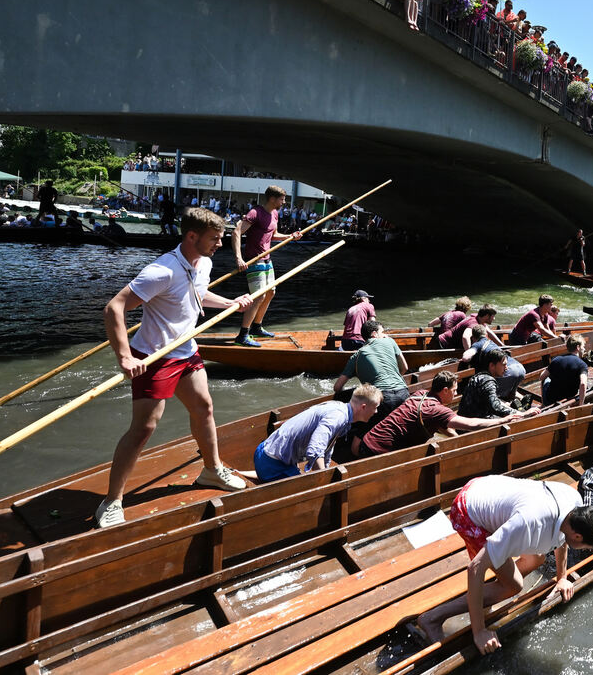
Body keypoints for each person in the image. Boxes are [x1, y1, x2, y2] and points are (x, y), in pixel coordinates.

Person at [95, 208, 254, 529]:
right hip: (154, 355)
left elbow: (195, 295)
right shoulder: (162, 271)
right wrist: (125, 357)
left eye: (222, 238)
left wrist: (229, 303)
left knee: (204, 408)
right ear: (191, 236)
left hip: (185, 350)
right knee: (144, 428)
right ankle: (111, 501)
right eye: (214, 239)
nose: (219, 245)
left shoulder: (204, 263)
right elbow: (114, 307)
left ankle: (211, 470)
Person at [416, 474, 593, 653]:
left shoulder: (575, 506)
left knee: (536, 558)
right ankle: (433, 618)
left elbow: (562, 540)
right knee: (514, 586)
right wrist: (480, 632)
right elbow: (475, 568)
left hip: (487, 487)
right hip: (467, 510)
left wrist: (561, 578)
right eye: (587, 547)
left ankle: (494, 587)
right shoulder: (529, 523)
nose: (585, 550)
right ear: (578, 535)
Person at [356, 371, 538, 457]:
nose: (456, 394)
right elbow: (472, 424)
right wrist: (504, 420)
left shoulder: (420, 394)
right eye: (454, 390)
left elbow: (441, 426)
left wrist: (457, 441)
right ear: (444, 390)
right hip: (374, 454)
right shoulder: (437, 410)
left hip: (365, 442)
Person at [254, 384, 383, 480]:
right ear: (364, 407)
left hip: (266, 452)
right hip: (271, 463)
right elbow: (315, 449)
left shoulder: (340, 408)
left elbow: (327, 447)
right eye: (376, 408)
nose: (376, 412)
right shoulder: (338, 416)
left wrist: (325, 469)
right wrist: (324, 480)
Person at [232, 185, 301, 347]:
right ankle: (243, 334)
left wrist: (290, 237)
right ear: (272, 198)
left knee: (270, 292)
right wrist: (238, 258)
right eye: (282, 199)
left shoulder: (275, 214)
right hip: (253, 259)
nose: (284, 202)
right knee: (259, 296)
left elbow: (273, 235)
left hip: (267, 259)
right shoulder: (255, 213)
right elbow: (236, 232)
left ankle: (256, 327)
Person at [333, 319, 410, 428]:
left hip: (381, 399)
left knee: (362, 434)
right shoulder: (390, 341)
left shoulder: (356, 356)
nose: (384, 335)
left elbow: (337, 387)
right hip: (404, 393)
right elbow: (405, 368)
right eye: (382, 332)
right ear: (374, 334)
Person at [458, 347, 520, 419]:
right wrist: (519, 413)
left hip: (467, 419)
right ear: (492, 366)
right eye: (503, 364)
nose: (506, 368)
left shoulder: (481, 377)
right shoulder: (487, 381)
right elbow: (495, 407)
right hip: (473, 425)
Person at [540, 335, 589, 406]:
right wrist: (581, 405)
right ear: (578, 347)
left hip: (551, 400)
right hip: (569, 398)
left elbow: (541, 377)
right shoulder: (582, 364)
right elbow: (583, 384)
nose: (584, 349)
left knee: (545, 379)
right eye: (583, 346)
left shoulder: (556, 359)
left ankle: (543, 405)